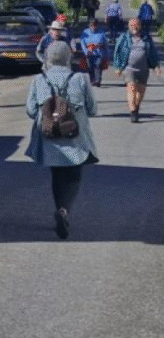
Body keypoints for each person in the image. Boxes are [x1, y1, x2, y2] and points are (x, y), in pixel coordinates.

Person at [25, 41, 98, 239]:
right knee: (74, 175)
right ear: (68, 58)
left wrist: (49, 113)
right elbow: (93, 109)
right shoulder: (81, 78)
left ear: (47, 58)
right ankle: (65, 210)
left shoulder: (39, 79)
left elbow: (30, 111)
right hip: (75, 136)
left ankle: (60, 209)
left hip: (49, 137)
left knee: (57, 174)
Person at [112, 17, 162, 122]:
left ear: (140, 26)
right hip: (129, 68)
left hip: (143, 69)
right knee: (131, 88)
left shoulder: (146, 38)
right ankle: (133, 112)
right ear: (129, 27)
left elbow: (153, 53)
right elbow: (118, 52)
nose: (134, 27)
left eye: (136, 25)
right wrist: (118, 67)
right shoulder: (124, 38)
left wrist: (156, 66)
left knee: (140, 92)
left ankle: (137, 105)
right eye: (132, 25)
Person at [79, 16, 107, 87]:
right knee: (90, 67)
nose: (93, 27)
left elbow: (105, 44)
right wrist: (86, 51)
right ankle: (92, 80)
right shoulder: (85, 32)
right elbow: (82, 43)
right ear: (89, 25)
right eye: (92, 25)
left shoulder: (101, 32)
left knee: (98, 65)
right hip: (89, 53)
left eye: (95, 25)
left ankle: (98, 80)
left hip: (99, 53)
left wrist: (106, 54)